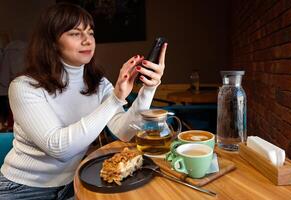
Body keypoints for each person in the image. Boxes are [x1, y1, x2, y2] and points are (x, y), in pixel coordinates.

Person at [0, 3, 167, 200]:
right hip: (23, 189)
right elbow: (59, 148)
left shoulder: (98, 83)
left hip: (75, 183)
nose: (88, 41)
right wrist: (115, 99)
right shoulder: (23, 87)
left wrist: (149, 88)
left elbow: (125, 132)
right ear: (52, 42)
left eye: (90, 32)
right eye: (75, 33)